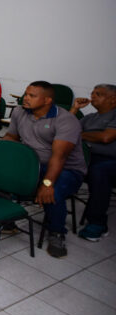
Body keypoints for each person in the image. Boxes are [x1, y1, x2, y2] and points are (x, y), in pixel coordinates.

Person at [0, 81, 87, 258]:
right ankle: (7, 221)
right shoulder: (19, 112)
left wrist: (47, 183)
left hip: (67, 169)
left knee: (53, 190)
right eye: (26, 94)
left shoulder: (66, 120)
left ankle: (56, 232)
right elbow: (12, 136)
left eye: (32, 96)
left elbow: (59, 157)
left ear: (47, 100)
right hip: (33, 163)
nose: (25, 98)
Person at [71, 84, 116, 242]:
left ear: (113, 99)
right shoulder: (90, 117)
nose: (93, 96)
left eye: (99, 94)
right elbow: (67, 129)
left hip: (109, 160)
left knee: (99, 171)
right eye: (93, 93)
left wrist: (81, 134)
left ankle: (98, 223)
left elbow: (106, 137)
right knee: (54, 157)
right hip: (86, 157)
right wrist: (75, 108)